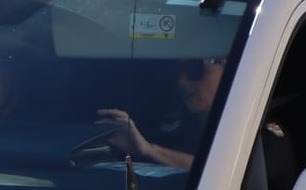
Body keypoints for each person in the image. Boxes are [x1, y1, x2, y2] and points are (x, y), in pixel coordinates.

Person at [96, 56, 224, 170]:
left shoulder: (240, 130)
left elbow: (219, 170)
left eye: (195, 69)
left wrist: (150, 150)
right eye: (177, 71)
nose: (182, 81)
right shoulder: (171, 127)